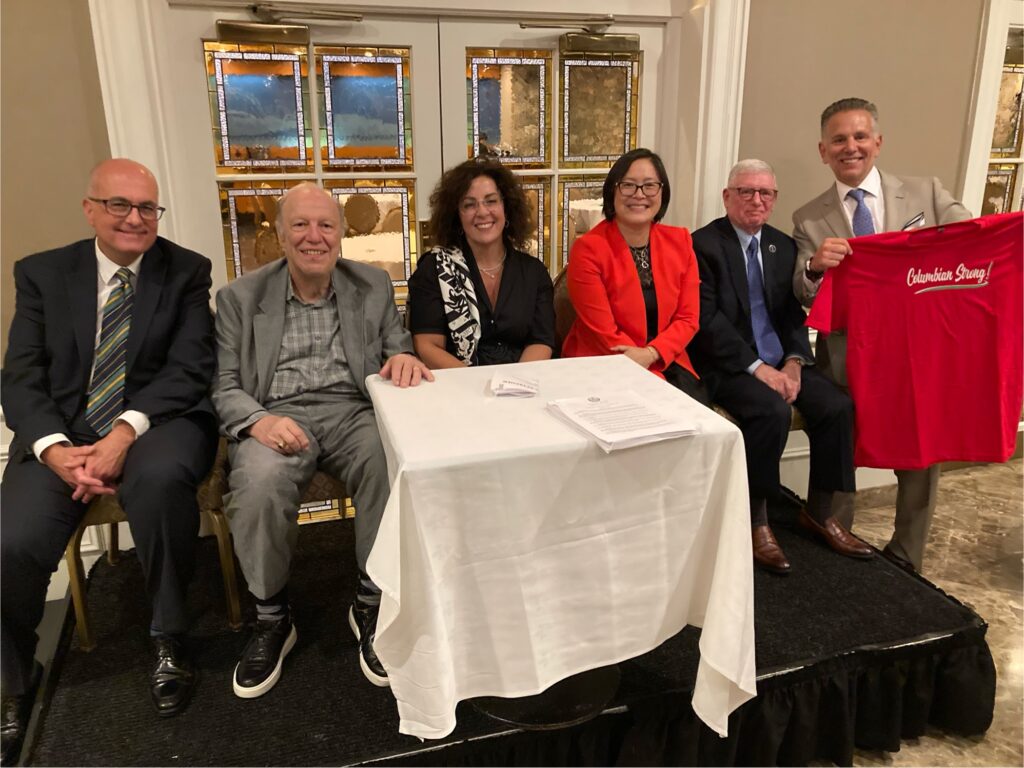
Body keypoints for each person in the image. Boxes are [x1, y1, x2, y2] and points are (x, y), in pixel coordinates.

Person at [0, 158, 219, 758]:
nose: (135, 219)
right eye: (119, 205)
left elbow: (190, 368)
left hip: (158, 422)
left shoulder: (186, 272)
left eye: (147, 207)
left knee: (161, 481)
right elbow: (21, 377)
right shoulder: (44, 274)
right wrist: (54, 450)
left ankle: (169, 636)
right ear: (90, 209)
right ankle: (14, 681)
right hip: (61, 439)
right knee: (8, 543)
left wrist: (125, 431)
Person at [212, 182, 433, 699]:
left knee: (391, 460)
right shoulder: (240, 299)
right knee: (259, 483)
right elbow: (223, 386)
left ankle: (371, 602)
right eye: (301, 225)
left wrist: (402, 359)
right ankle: (272, 617)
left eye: (326, 225)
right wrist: (258, 422)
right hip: (275, 415)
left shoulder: (372, 285)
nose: (315, 236)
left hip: (352, 410)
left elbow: (397, 350)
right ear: (281, 235)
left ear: (341, 234)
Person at [792, 97, 973, 573]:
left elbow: (971, 242)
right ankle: (836, 542)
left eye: (858, 137)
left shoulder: (926, 193)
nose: (850, 147)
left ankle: (907, 556)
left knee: (920, 453)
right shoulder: (808, 218)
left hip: (918, 353)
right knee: (842, 450)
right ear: (823, 151)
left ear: (877, 141)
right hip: (848, 354)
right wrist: (814, 265)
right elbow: (799, 289)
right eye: (838, 140)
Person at [690, 159, 870, 574]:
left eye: (765, 193)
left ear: (774, 200)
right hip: (729, 365)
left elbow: (791, 313)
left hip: (778, 358)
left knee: (838, 406)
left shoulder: (782, 245)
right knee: (770, 413)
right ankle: (755, 520)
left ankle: (821, 512)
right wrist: (759, 368)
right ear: (727, 197)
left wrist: (792, 362)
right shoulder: (702, 245)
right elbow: (707, 321)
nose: (756, 200)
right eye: (746, 192)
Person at [560, 148, 706, 403]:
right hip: (605, 362)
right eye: (628, 185)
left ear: (662, 192)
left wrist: (651, 353)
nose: (639, 195)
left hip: (665, 358)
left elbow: (688, 318)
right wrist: (643, 363)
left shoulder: (680, 241)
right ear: (612, 191)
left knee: (698, 424)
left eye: (649, 186)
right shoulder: (588, 249)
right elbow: (604, 332)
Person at [408, 159, 554, 367]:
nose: (482, 212)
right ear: (456, 215)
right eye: (469, 204)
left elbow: (541, 340)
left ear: (507, 207)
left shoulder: (533, 271)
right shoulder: (434, 270)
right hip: (457, 386)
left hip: (524, 383)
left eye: (491, 201)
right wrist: (475, 388)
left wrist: (516, 384)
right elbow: (427, 346)